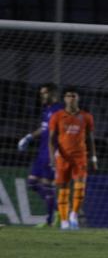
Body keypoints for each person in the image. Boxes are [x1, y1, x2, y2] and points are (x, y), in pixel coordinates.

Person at [48, 87, 97, 230]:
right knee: (63, 188)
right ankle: (64, 221)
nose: (71, 98)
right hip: (63, 158)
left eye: (74, 96)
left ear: (78, 98)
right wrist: (52, 157)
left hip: (80, 157)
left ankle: (74, 214)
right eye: (68, 96)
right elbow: (51, 139)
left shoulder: (86, 117)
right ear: (64, 98)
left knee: (80, 187)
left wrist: (93, 158)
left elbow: (90, 138)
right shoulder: (57, 116)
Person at [16, 83, 63, 227]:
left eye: (44, 93)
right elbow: (44, 129)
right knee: (32, 182)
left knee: (47, 185)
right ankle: (57, 211)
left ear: (53, 94)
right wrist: (29, 137)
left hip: (51, 152)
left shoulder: (59, 110)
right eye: (41, 93)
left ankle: (51, 220)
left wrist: (58, 153)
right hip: (41, 152)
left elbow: (63, 132)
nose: (41, 96)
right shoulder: (47, 110)